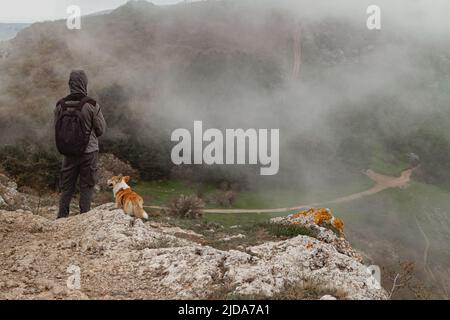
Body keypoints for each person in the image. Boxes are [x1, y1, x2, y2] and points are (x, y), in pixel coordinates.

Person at [54, 70, 106, 219]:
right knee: (87, 185)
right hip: (89, 152)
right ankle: (84, 218)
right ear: (85, 83)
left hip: (68, 152)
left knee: (67, 187)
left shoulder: (60, 105)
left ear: (70, 84)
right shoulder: (91, 105)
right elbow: (101, 129)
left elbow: (56, 127)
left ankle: (62, 217)